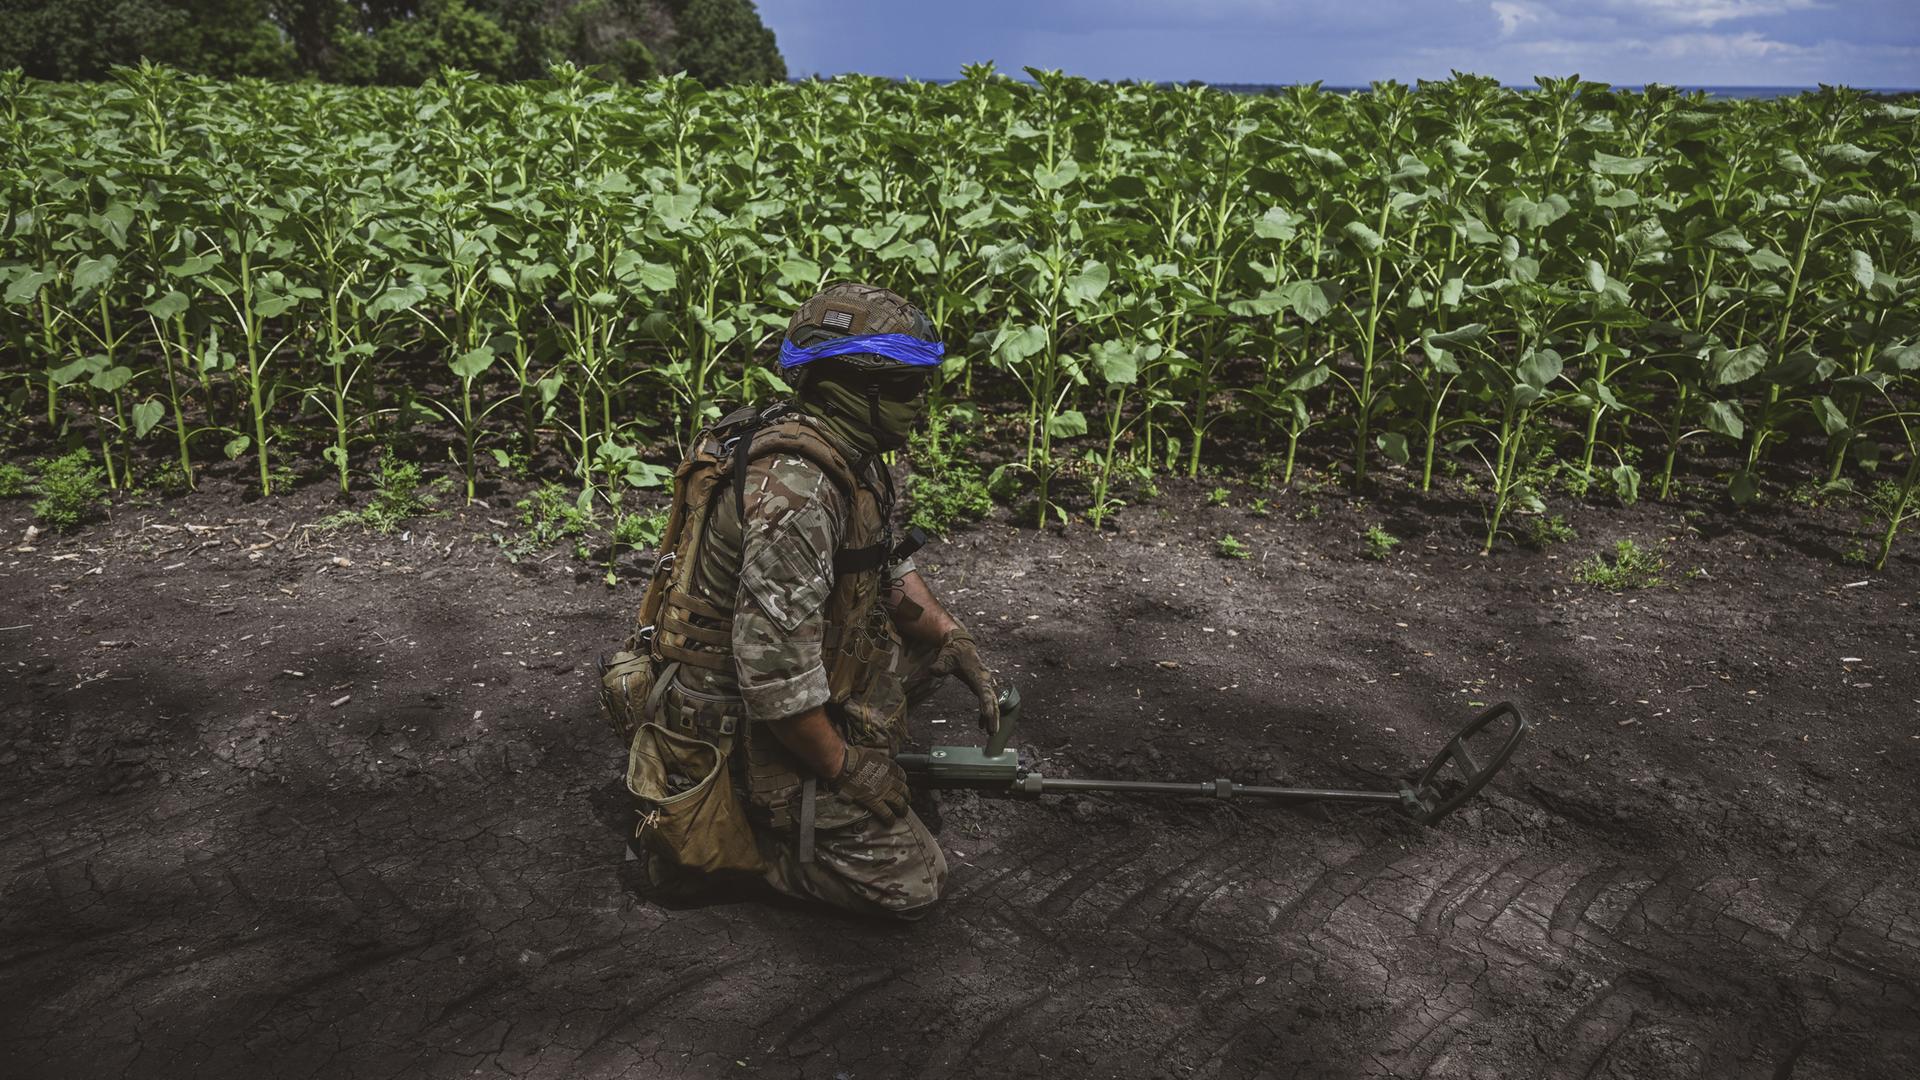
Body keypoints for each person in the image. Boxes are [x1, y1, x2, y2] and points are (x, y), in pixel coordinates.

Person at [607, 281, 999, 920]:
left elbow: (883, 566)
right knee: (914, 881)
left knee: (922, 654)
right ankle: (726, 844)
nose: (922, 406)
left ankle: (788, 792)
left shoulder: (849, 453)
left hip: (775, 681)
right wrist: (851, 770)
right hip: (737, 710)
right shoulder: (798, 491)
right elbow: (773, 681)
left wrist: (952, 639)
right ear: (854, 390)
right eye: (907, 390)